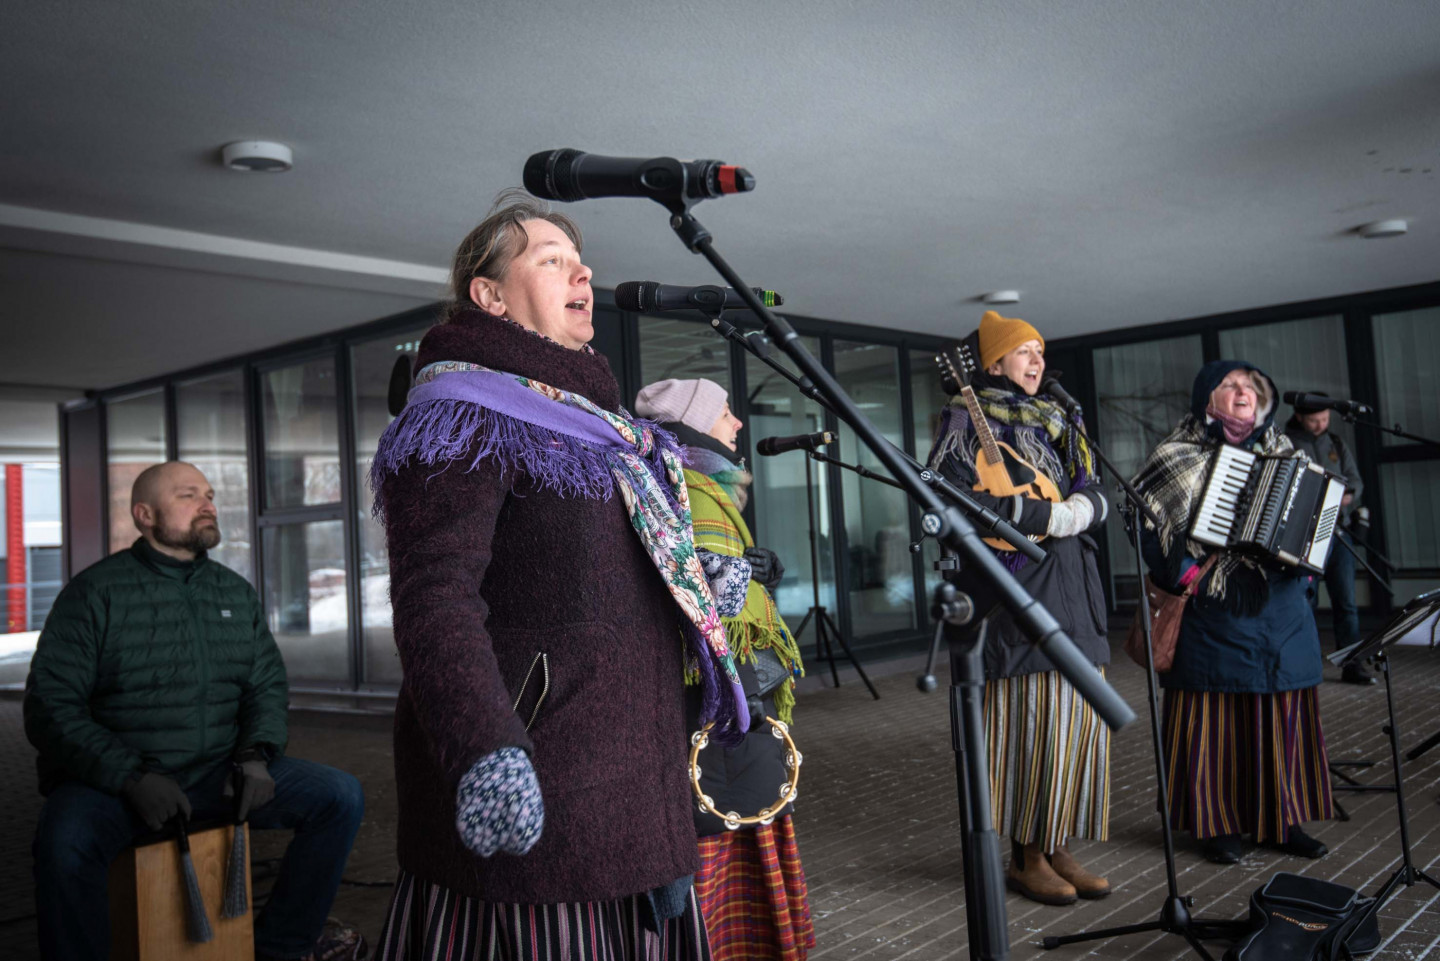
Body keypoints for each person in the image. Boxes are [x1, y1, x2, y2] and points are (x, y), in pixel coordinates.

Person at [370, 191, 748, 961]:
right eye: (551, 260)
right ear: (490, 295)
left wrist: (690, 577)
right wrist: (485, 748)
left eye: (580, 261)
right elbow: (435, 599)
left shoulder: (603, 427)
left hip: (635, 786)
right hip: (539, 786)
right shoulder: (460, 414)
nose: (583, 274)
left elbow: (593, 571)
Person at [25, 461, 365, 961]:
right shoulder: (95, 593)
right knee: (64, 841)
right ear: (145, 515)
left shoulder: (233, 593)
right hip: (116, 786)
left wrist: (255, 755)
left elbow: (266, 686)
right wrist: (131, 777)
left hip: (217, 773)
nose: (208, 504)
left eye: (209, 495)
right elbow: (50, 706)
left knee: (340, 797)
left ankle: (280, 948)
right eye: (188, 496)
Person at [926, 311, 1112, 906]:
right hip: (1017, 596)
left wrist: (1078, 512)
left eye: (1040, 350)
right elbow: (951, 499)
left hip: (1074, 587)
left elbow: (1096, 487)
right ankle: (1026, 856)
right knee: (1033, 729)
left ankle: (1059, 845)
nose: (1037, 360)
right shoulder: (963, 421)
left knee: (1076, 727)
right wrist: (1042, 517)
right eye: (1024, 350)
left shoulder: (1060, 419)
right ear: (993, 362)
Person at [634, 377, 814, 961]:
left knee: (733, 817)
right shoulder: (688, 485)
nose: (737, 423)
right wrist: (738, 576)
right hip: (711, 704)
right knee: (724, 829)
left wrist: (756, 571)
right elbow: (705, 601)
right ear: (692, 423)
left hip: (714, 700)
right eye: (725, 412)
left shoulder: (704, 483)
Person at [1133, 361, 1335, 865]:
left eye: (1252, 386)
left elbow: (1315, 521)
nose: (1243, 391)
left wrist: (1308, 564)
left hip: (1282, 610)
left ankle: (1282, 821)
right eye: (1230, 385)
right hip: (1213, 608)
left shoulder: (1289, 454)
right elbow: (1146, 524)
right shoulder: (1175, 454)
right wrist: (1186, 573)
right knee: (1215, 720)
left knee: (1281, 715)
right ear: (1207, 398)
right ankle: (1217, 824)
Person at [1284, 394, 1372, 684]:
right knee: (1306, 601)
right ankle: (1306, 662)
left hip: (1338, 534)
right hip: (1304, 536)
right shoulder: (1286, 443)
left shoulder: (1335, 442)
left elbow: (1355, 481)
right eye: (1314, 420)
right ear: (1299, 416)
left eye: (1325, 418)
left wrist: (1346, 495)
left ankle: (1352, 664)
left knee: (1346, 602)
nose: (1321, 424)